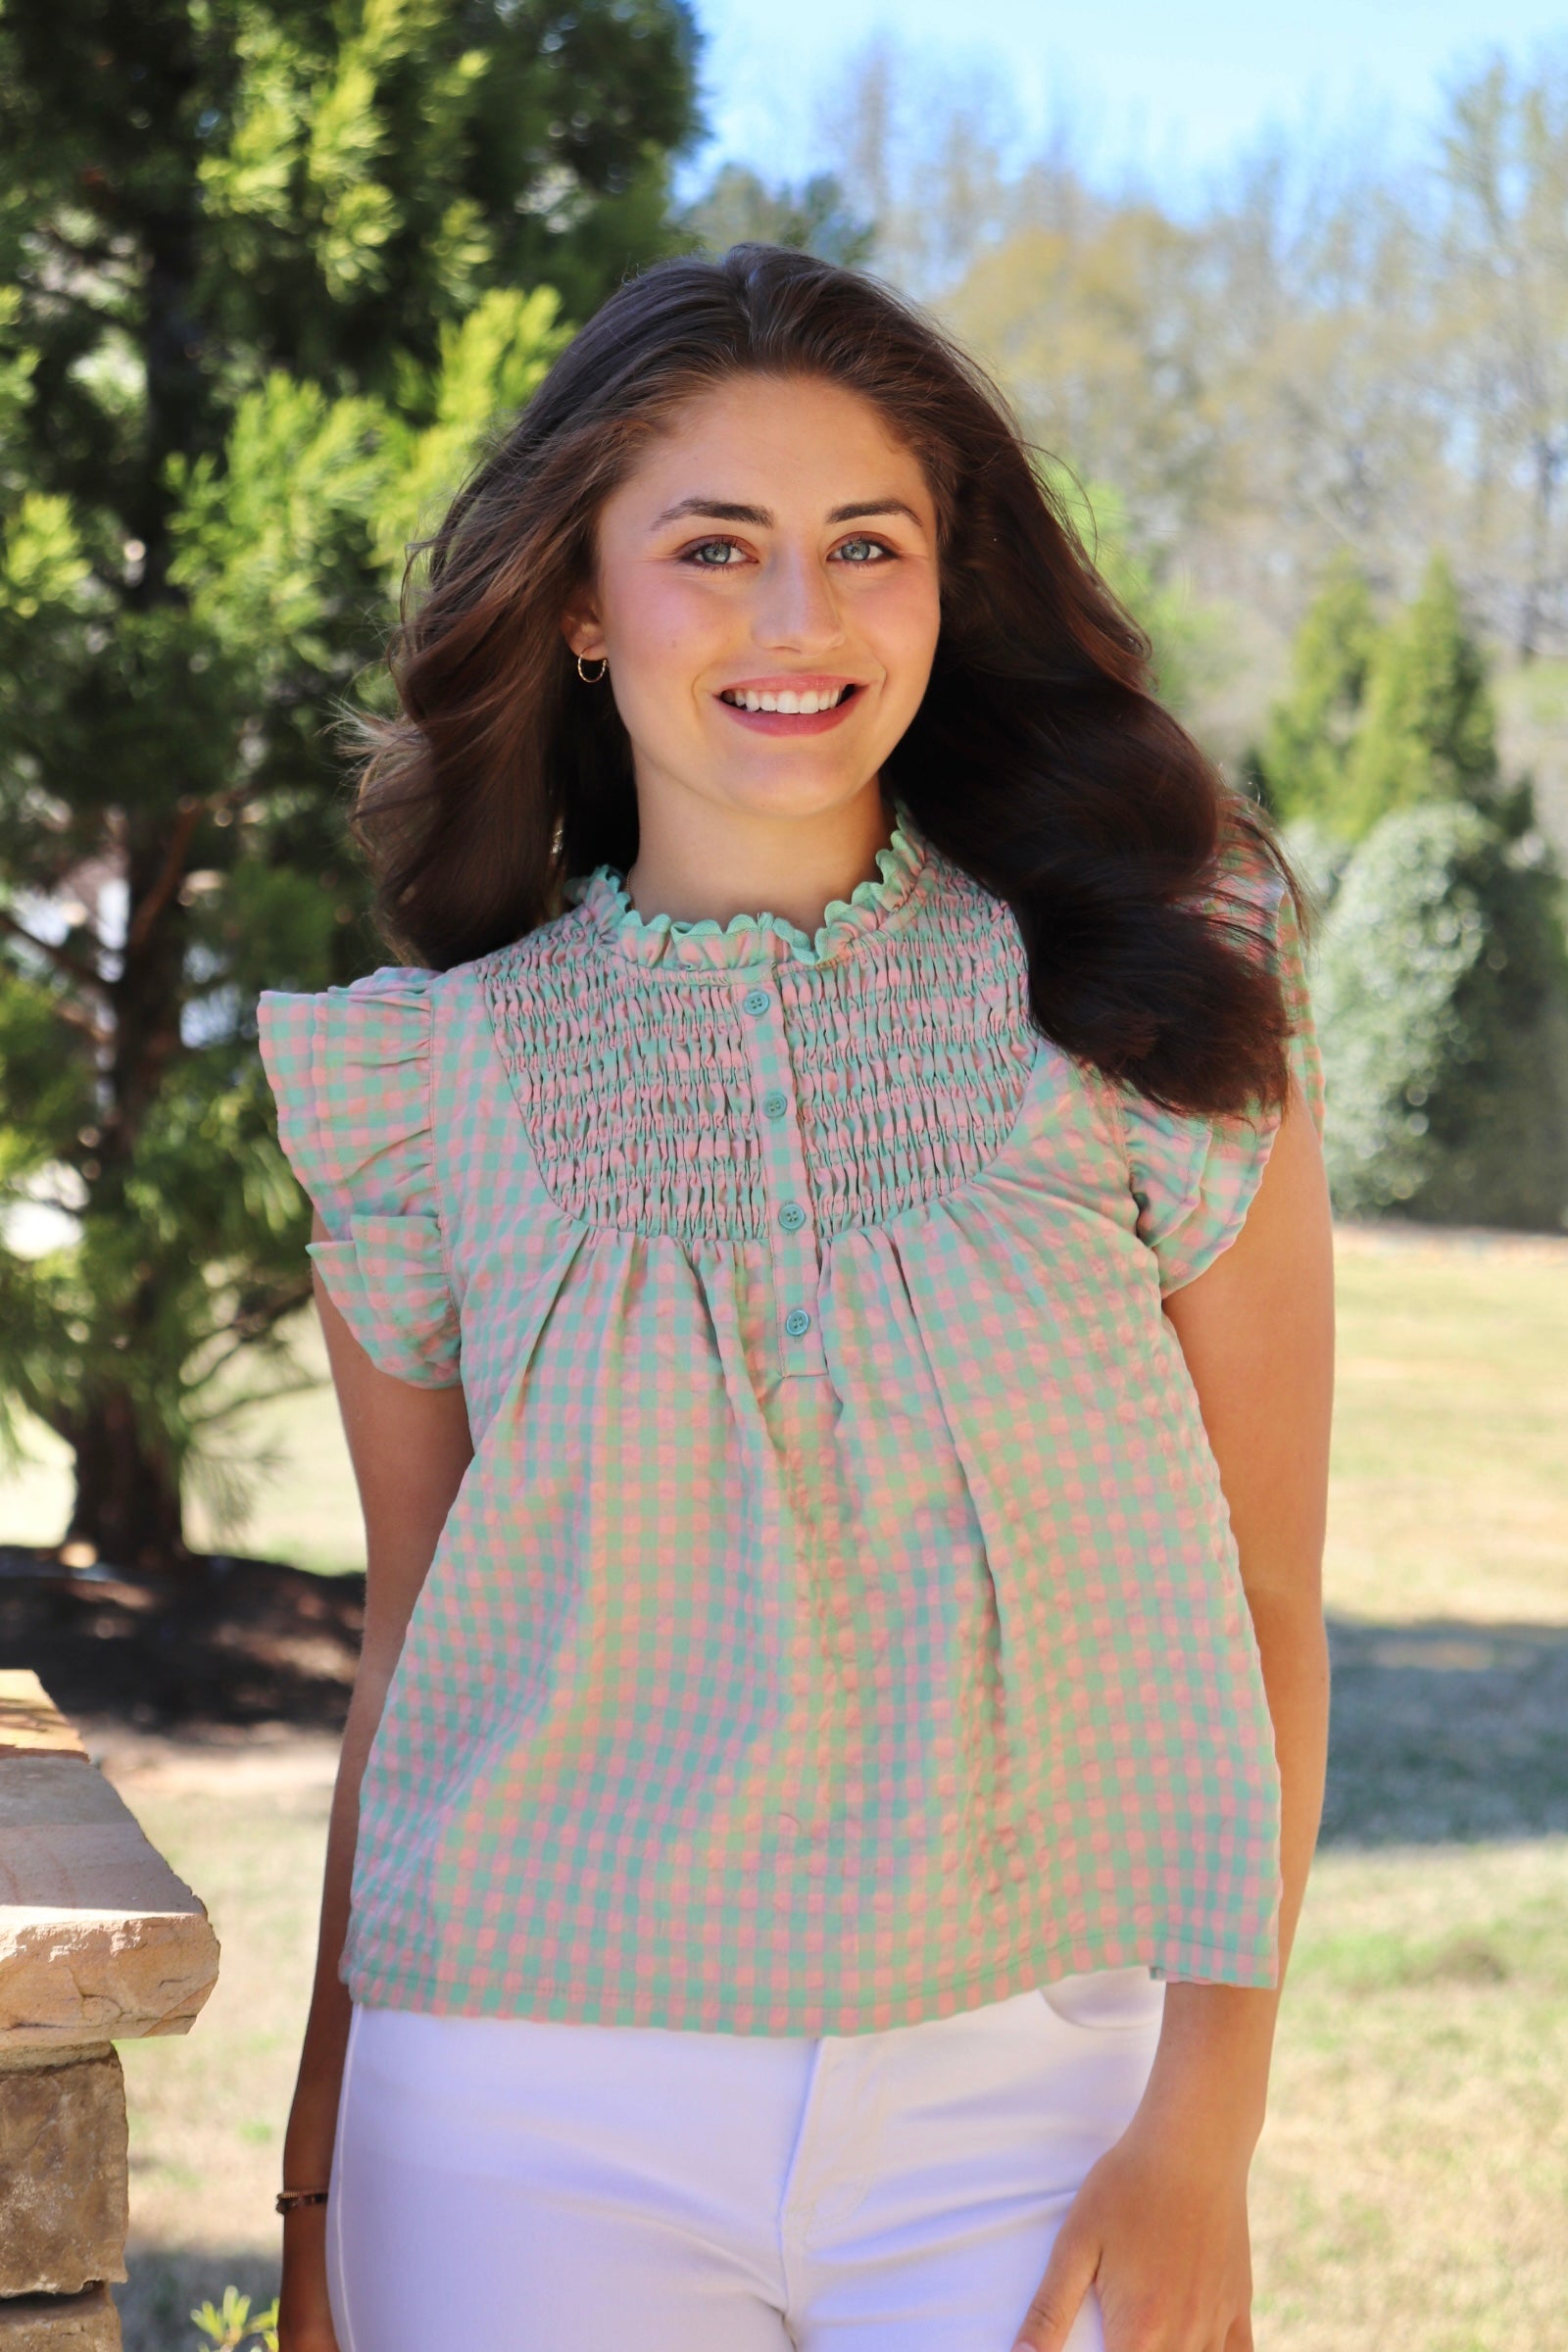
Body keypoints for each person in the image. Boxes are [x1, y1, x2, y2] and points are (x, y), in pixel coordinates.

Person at [258, 242, 1334, 2352]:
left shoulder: (1149, 995)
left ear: (946, 584)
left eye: (867, 546)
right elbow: (409, 1661)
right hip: (511, 2099)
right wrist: (315, 2180)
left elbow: (1268, 1611)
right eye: (713, 548)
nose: (796, 621)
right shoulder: (423, 1079)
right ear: (580, 603)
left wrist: (1202, 2123)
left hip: (1040, 2096)